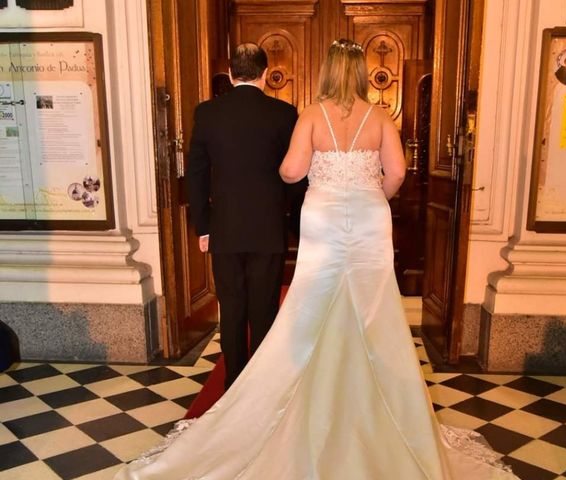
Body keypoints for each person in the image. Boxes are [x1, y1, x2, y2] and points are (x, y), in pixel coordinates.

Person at [115, 39, 519, 480]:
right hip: (368, 217)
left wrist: (320, 177)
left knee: (313, 300)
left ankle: (285, 391)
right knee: (373, 305)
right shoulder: (380, 115)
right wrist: (370, 195)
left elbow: (291, 171)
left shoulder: (310, 113)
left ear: (327, 71)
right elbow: (399, 172)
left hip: (324, 217)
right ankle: (374, 401)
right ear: (362, 73)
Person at [186, 43, 298, 390]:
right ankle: (262, 385)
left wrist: (203, 226)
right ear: (266, 76)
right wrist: (294, 225)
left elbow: (197, 174)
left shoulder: (207, 113)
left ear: (232, 74)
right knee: (264, 307)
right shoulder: (284, 113)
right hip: (269, 229)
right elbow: (295, 176)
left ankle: (234, 384)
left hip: (225, 229)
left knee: (232, 308)